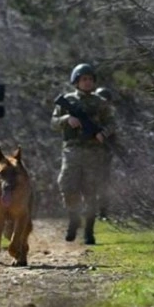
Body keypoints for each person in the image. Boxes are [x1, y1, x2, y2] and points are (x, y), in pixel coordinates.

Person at [51, 63, 115, 245]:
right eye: (83, 79)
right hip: (72, 150)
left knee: (90, 192)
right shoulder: (68, 100)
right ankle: (73, 218)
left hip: (94, 153)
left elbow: (112, 123)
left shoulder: (100, 103)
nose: (87, 82)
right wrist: (66, 119)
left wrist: (103, 133)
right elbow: (53, 122)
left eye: (90, 79)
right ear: (76, 81)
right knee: (67, 185)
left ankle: (89, 231)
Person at [94, 86, 116, 220]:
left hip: (104, 154)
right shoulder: (91, 114)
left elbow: (112, 132)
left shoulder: (109, 117)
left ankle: (103, 212)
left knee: (103, 184)